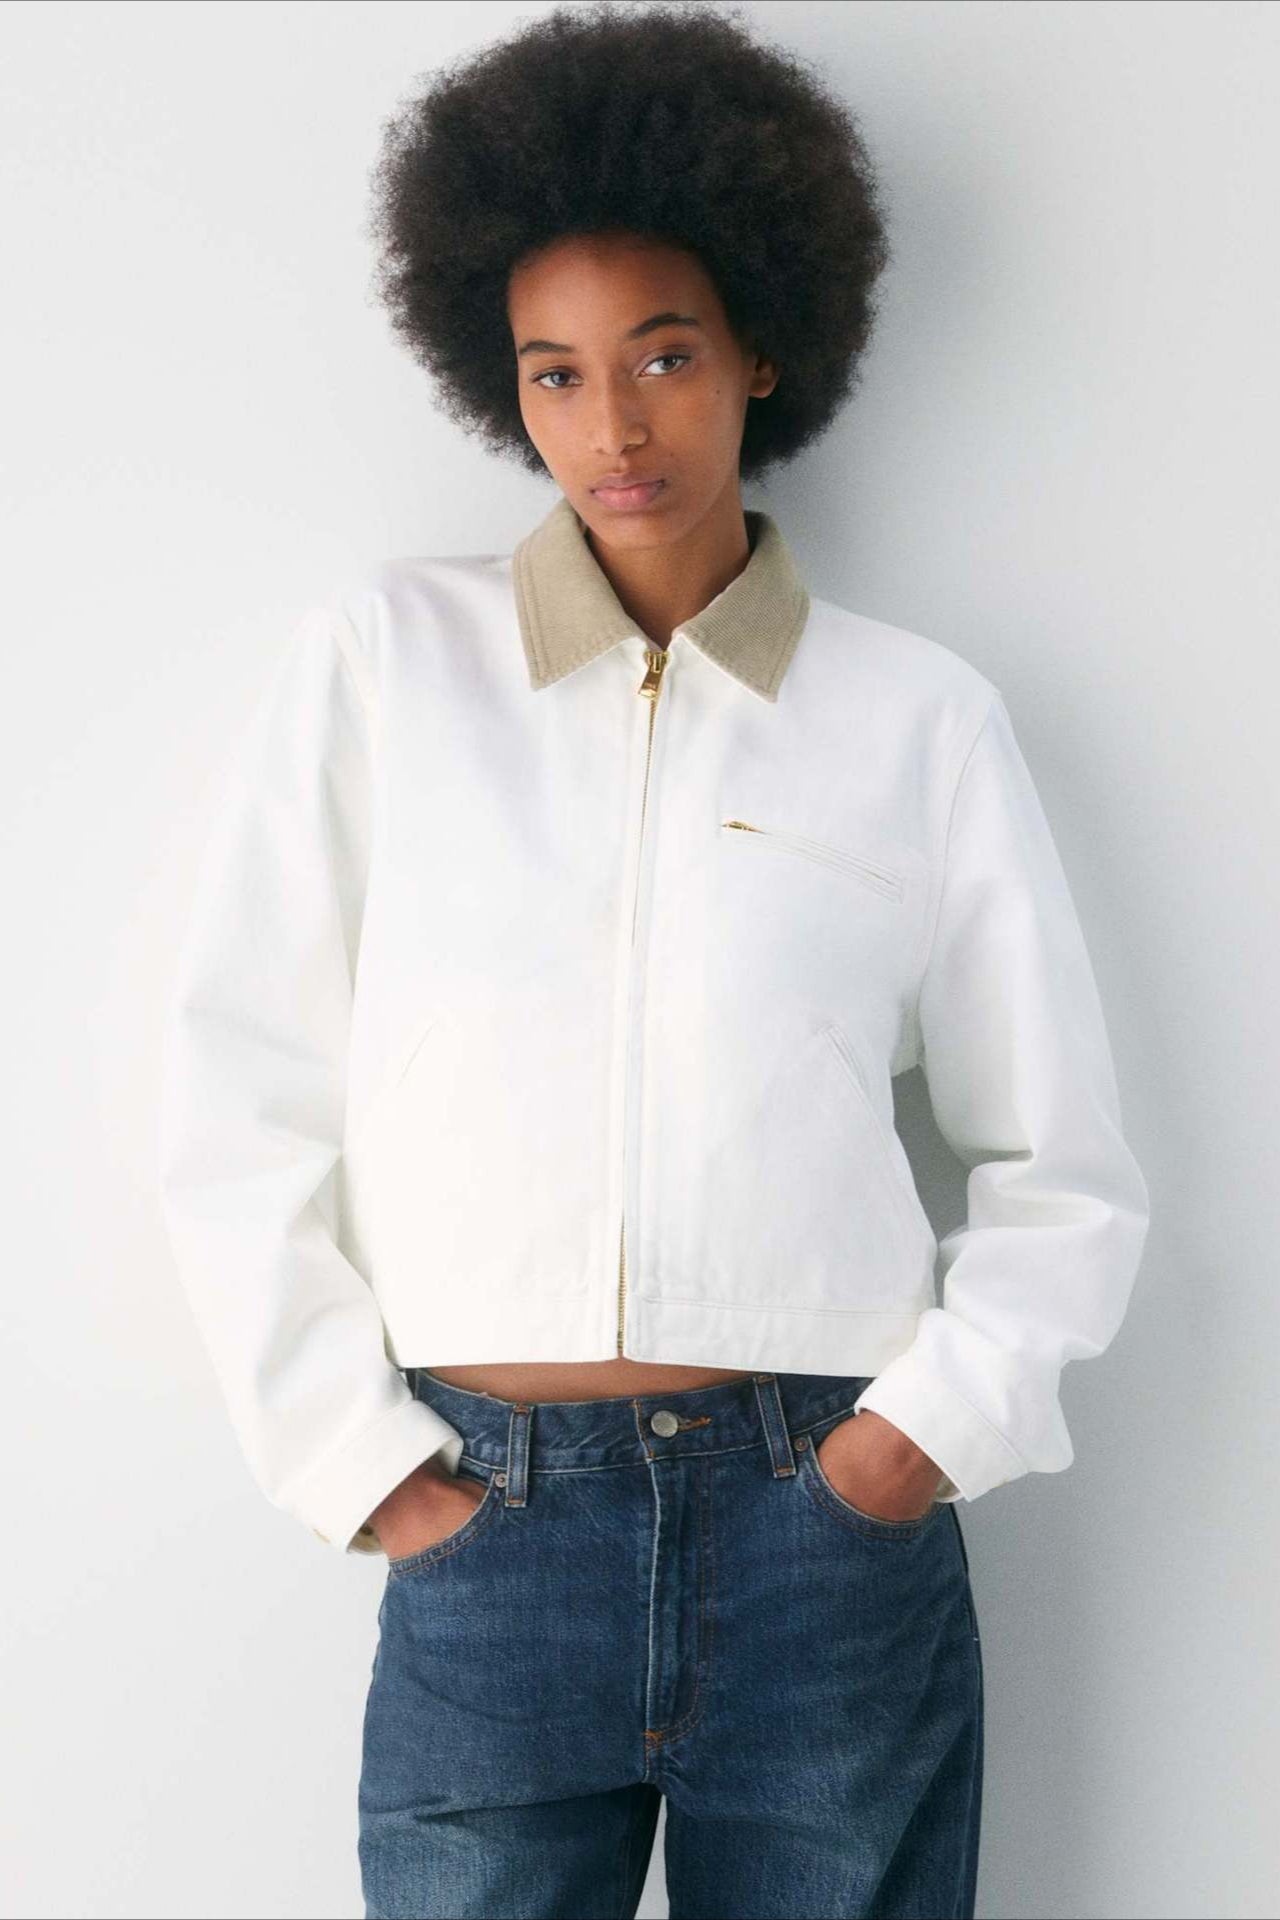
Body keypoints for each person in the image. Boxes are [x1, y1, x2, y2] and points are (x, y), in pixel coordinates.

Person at [156, 5, 1150, 1916]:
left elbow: (1063, 1164)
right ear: (503, 387)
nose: (612, 427)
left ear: (763, 351)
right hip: (486, 1526)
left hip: (823, 1533)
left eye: (665, 357)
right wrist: (361, 1466)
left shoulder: (915, 720)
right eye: (557, 373)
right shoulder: (387, 668)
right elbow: (238, 1093)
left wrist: (913, 1445)